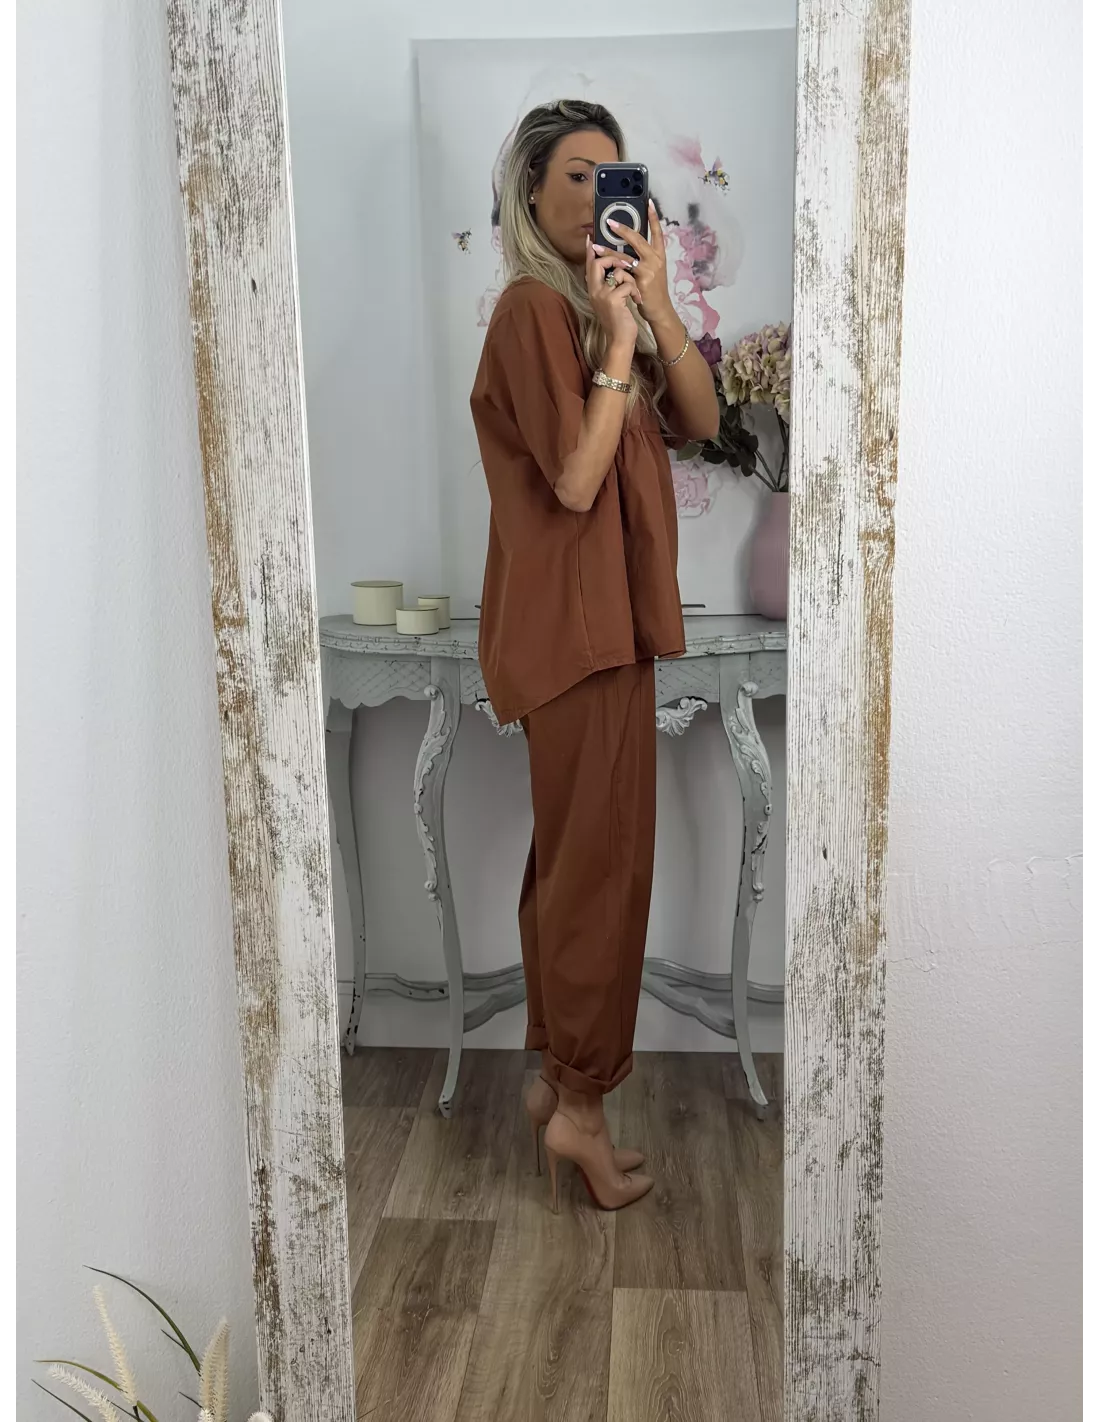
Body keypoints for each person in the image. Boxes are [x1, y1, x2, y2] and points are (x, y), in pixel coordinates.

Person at [470, 100, 719, 1212]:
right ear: (530, 191)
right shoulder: (533, 310)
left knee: (581, 867)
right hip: (575, 635)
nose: (600, 196)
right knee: (600, 876)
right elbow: (574, 484)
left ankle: (556, 1082)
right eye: (576, 175)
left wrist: (652, 305)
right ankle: (579, 1107)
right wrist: (618, 345)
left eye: (613, 177)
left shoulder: (590, 309)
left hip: (602, 629)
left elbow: (702, 419)